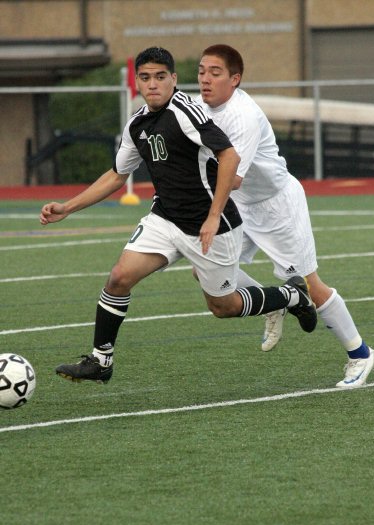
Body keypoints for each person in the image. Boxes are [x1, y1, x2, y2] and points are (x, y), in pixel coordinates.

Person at [39, 46, 317, 384]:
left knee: (223, 307)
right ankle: (101, 361)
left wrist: (214, 215)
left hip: (210, 223)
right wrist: (67, 207)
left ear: (173, 79)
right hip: (165, 218)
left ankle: (290, 295)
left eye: (160, 77)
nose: (152, 84)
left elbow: (229, 156)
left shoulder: (186, 112)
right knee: (119, 277)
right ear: (138, 82)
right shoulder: (137, 123)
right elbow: (116, 175)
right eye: (145, 78)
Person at [197, 44, 374, 388]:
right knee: (204, 265)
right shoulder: (197, 108)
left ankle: (361, 354)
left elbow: (232, 177)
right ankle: (272, 303)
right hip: (240, 204)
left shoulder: (243, 116)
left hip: (276, 204)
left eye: (215, 73)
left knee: (312, 285)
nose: (206, 79)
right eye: (202, 71)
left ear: (235, 79)